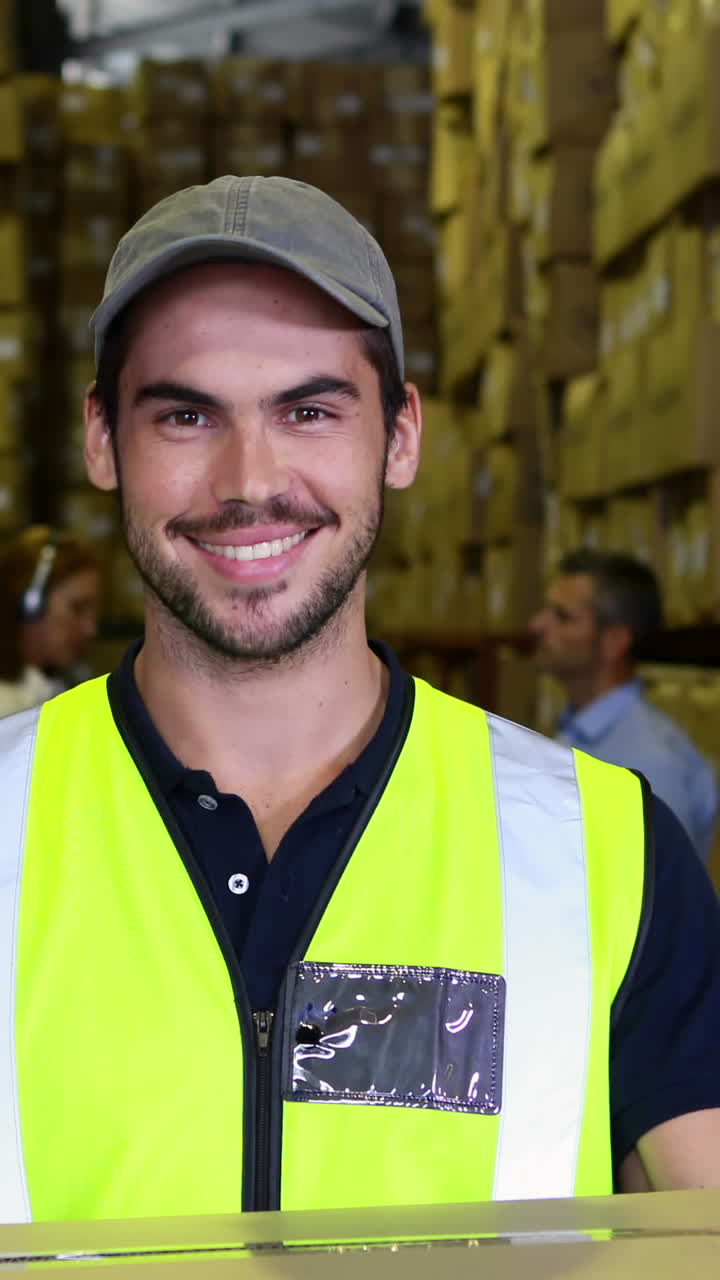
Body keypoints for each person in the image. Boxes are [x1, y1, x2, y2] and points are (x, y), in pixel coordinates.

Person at [2, 176, 720, 1227]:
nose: (251, 479)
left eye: (308, 409)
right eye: (187, 413)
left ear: (401, 435)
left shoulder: (600, 851)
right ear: (104, 441)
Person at [531, 548, 718, 863]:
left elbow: (654, 900)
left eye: (562, 617)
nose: (537, 625)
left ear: (614, 642)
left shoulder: (651, 763)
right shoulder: (575, 730)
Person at [0, 524, 100, 717]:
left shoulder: (51, 688)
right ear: (31, 603)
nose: (91, 629)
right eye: (78, 608)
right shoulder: (8, 709)